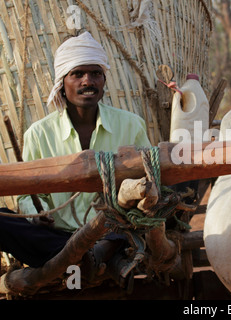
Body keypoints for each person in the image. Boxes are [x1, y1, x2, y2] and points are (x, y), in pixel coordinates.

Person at [0, 32, 152, 287]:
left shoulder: (131, 125)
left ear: (104, 80)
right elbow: (26, 197)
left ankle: (93, 254)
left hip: (113, 232)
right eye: (78, 74)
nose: (87, 81)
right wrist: (35, 215)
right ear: (62, 82)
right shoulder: (38, 134)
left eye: (95, 73)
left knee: (132, 225)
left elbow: (150, 182)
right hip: (57, 239)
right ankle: (89, 256)